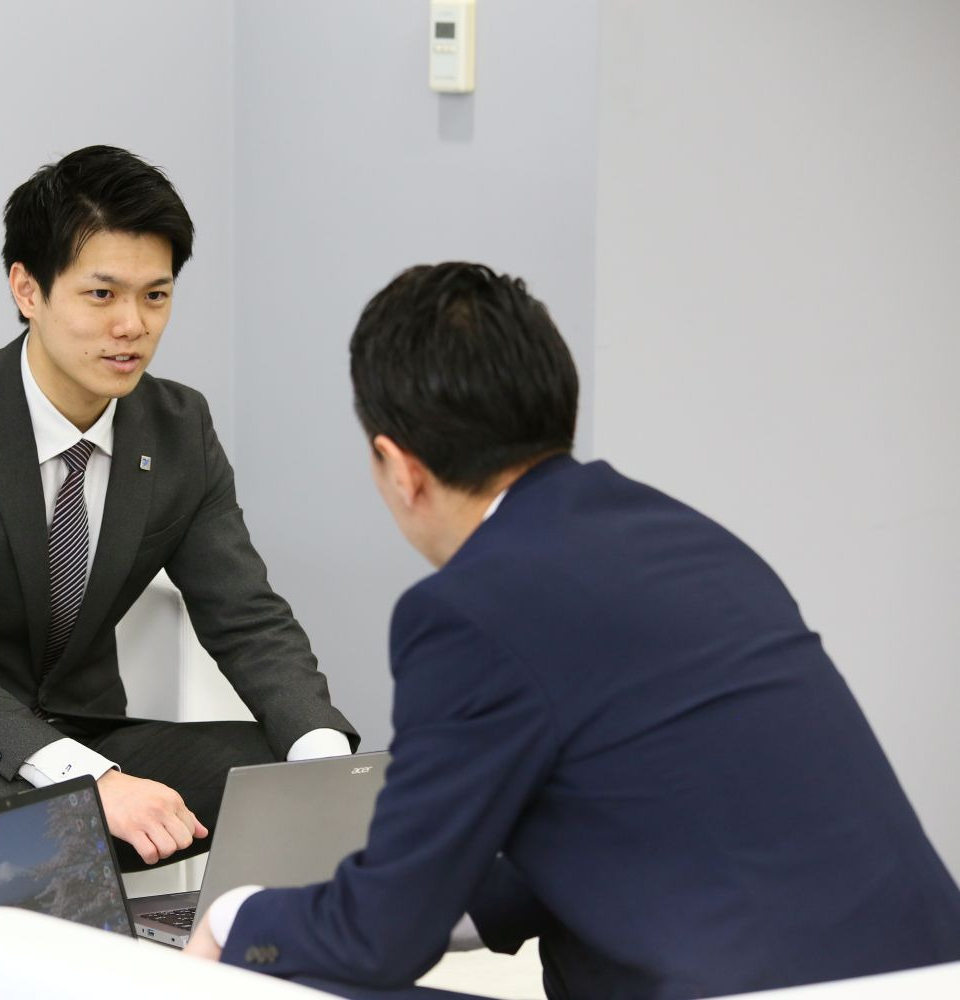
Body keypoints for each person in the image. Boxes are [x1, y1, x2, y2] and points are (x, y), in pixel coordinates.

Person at [187, 263, 960, 998]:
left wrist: (236, 917)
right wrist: (444, 894)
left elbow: (377, 937)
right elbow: (626, 820)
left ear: (399, 466)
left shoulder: (467, 610)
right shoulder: (691, 541)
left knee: (275, 976)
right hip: (930, 971)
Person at [0, 145, 357, 888]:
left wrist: (323, 762)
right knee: (42, 827)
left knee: (293, 778)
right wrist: (91, 781)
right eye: (101, 294)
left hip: (80, 736)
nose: (132, 325)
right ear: (28, 289)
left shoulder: (178, 429)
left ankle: (234, 947)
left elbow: (246, 617)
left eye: (156, 296)